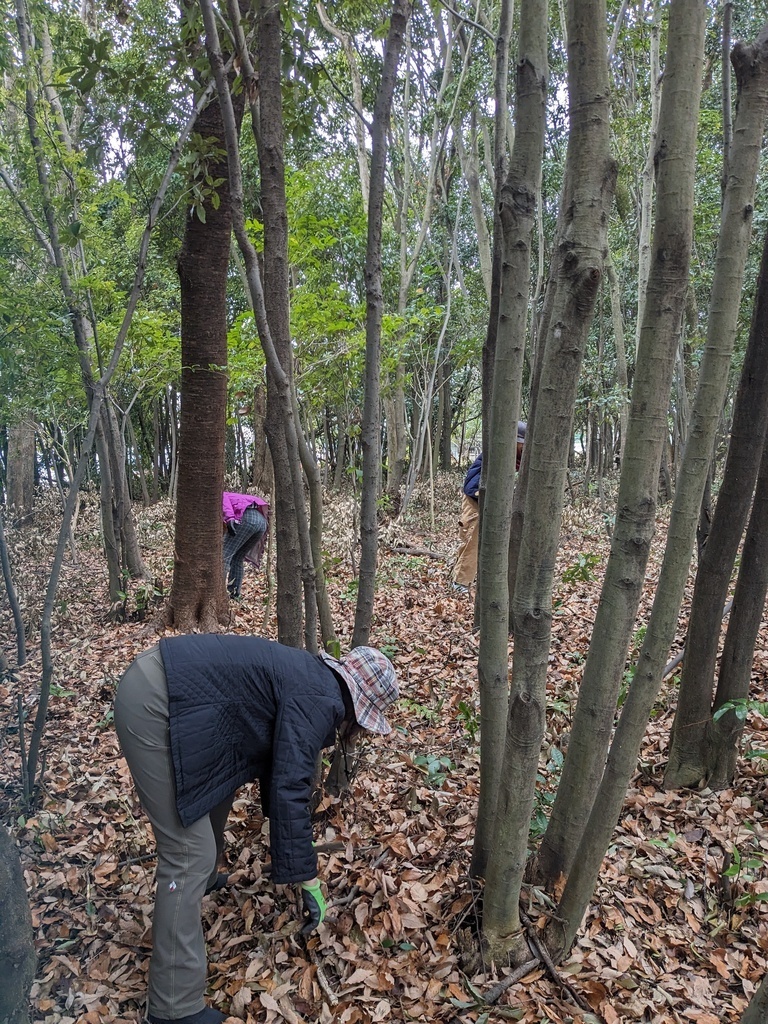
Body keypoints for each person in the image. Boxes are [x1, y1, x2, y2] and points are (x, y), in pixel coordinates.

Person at [114, 635, 399, 1024]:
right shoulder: (320, 700)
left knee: (218, 785)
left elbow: (278, 768)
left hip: (170, 688)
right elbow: (290, 787)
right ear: (357, 706)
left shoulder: (314, 682)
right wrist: (307, 878)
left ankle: (205, 879)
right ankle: (173, 1009)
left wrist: (292, 858)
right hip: (155, 702)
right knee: (186, 854)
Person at [451, 421, 526, 593]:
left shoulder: (515, 459)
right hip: (476, 501)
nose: (523, 449)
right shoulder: (498, 454)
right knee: (473, 541)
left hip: (490, 503)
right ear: (516, 442)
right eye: (522, 445)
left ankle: (459, 577)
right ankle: (460, 582)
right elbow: (472, 484)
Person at [222, 491, 269, 598]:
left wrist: (229, 518)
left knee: (224, 555)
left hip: (246, 517)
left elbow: (222, 499)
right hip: (261, 523)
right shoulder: (235, 497)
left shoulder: (218, 494)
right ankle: (234, 596)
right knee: (237, 558)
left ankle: (216, 595)